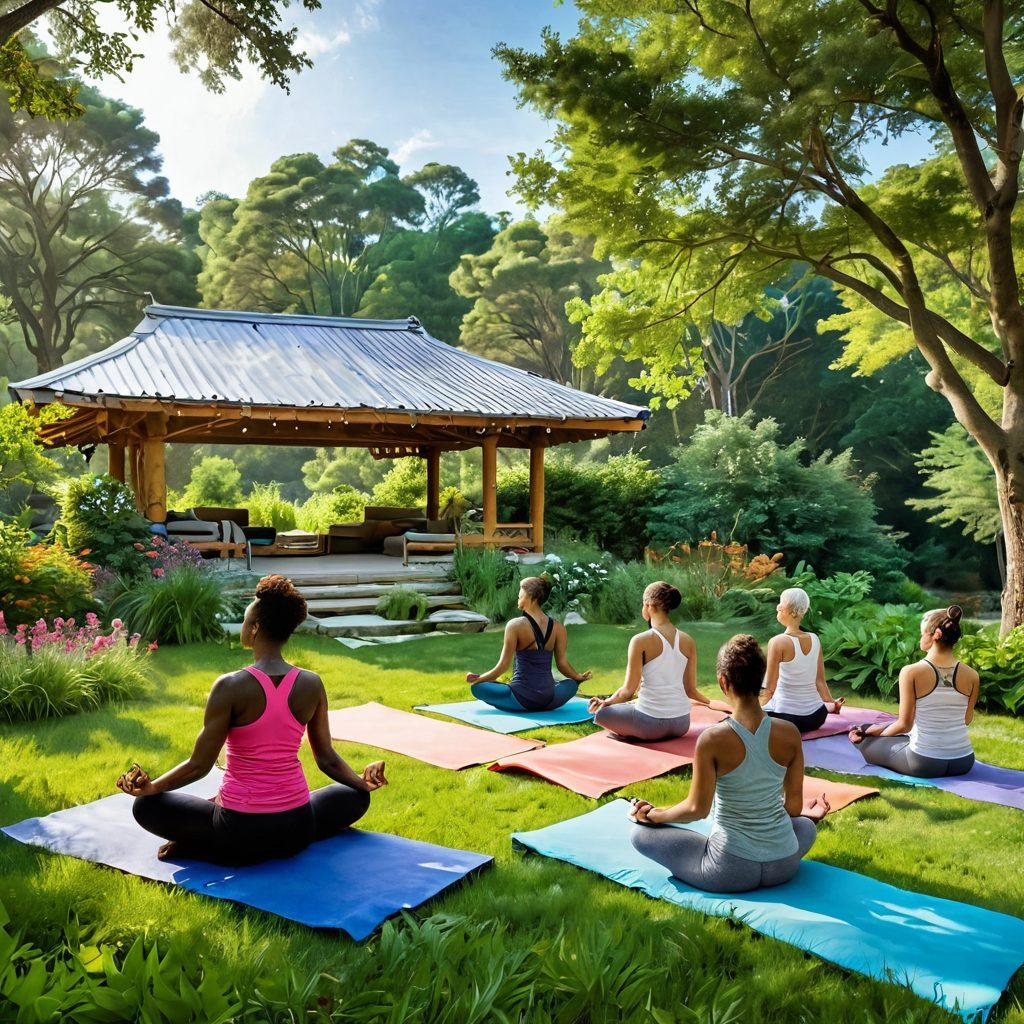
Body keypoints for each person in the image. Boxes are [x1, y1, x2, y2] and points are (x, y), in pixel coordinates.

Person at [116, 574, 387, 865]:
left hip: (238, 832)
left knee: (146, 807)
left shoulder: (230, 686)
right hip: (298, 828)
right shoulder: (312, 683)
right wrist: (361, 784)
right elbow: (327, 759)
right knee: (354, 796)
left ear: (255, 628)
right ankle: (272, 840)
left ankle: (202, 846)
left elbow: (199, 765)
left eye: (246, 621)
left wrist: (153, 788)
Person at [629, 634, 830, 893]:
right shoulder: (790, 733)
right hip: (783, 865)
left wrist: (654, 815)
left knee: (639, 835)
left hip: (730, 870)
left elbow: (696, 809)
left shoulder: (712, 739)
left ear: (723, 682)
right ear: (760, 679)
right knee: (805, 826)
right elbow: (793, 808)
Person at [849, 605, 979, 778]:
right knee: (887, 733)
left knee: (864, 741)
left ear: (936, 635)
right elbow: (966, 719)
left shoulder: (911, 672)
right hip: (963, 761)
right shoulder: (972, 675)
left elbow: (904, 725)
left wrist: (878, 736)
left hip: (923, 763)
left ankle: (869, 738)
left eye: (923, 633)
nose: (920, 638)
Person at [588, 581, 712, 741]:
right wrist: (711, 703)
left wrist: (606, 702)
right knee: (631, 706)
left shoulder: (639, 641)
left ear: (648, 605)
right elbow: (691, 691)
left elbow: (628, 691)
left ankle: (635, 734)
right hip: (681, 724)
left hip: (650, 725)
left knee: (602, 713)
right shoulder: (688, 641)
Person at [466, 576, 592, 712]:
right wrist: (578, 677)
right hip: (549, 699)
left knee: (477, 688)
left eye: (521, 591)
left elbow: (502, 666)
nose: (518, 595)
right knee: (572, 684)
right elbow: (562, 664)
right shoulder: (559, 628)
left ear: (532, 596)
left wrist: (479, 679)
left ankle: (512, 699)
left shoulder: (514, 625)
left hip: (520, 699)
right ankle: (540, 698)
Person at [762, 587, 844, 733]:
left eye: (781, 603)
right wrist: (832, 702)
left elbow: (770, 688)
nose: (778, 607)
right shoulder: (815, 639)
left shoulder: (777, 642)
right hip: (816, 717)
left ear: (793, 611)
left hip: (786, 719)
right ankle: (831, 706)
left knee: (755, 714)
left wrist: (755, 713)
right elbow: (820, 682)